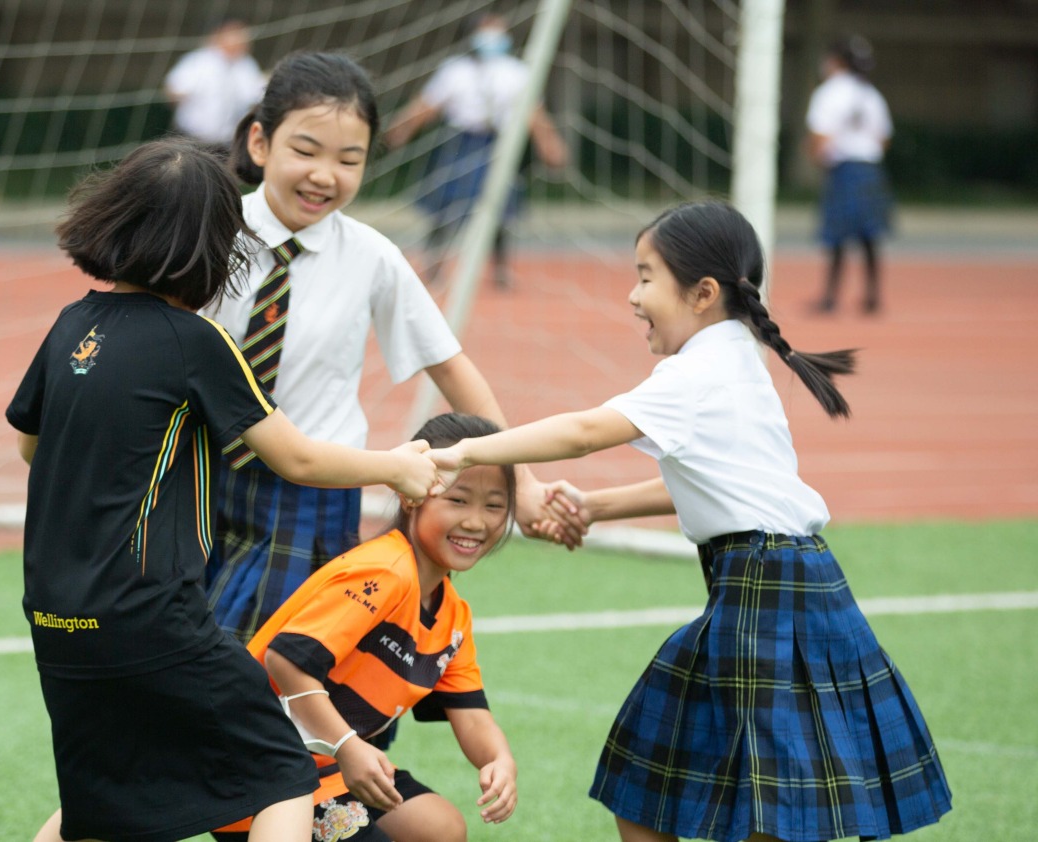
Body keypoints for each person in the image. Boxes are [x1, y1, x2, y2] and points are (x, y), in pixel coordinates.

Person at [428, 201, 953, 842]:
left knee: (760, 805)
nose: (633, 295)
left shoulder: (697, 373)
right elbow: (713, 484)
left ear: (703, 293)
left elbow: (585, 431)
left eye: (646, 276)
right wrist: (594, 506)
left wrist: (465, 451)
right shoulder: (737, 361)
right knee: (653, 776)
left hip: (766, 590)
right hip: (775, 583)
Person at [8, 136, 443, 842]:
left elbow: (32, 447)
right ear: (213, 251)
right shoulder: (196, 340)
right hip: (153, 617)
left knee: (99, 809)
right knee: (284, 774)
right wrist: (396, 467)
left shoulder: (69, 327)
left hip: (57, 620)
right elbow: (297, 458)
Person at [201, 50, 583, 646]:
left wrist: (522, 479)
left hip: (313, 497)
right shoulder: (206, 231)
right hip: (197, 479)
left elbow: (451, 367)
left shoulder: (372, 256)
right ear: (259, 142)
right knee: (184, 660)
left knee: (292, 669)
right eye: (306, 150)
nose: (325, 175)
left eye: (348, 159)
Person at [213, 412, 518, 842]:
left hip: (328, 764)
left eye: (494, 506)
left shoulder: (453, 614)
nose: (476, 521)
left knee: (440, 828)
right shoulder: (385, 570)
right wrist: (346, 746)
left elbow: (472, 715)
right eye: (458, 499)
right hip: (258, 764)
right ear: (411, 496)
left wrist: (499, 759)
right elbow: (286, 660)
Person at [383, 12, 568, 289]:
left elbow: (534, 113)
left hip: (498, 144)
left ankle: (500, 269)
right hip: (461, 142)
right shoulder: (454, 70)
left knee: (499, 206)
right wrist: (401, 129)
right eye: (486, 30)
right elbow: (426, 106)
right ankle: (434, 262)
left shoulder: (517, 72)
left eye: (498, 30)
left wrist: (550, 144)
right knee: (446, 206)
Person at [805, 34, 893, 314]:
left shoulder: (828, 92)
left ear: (835, 61)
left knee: (837, 237)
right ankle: (872, 296)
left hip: (843, 169)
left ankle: (830, 297)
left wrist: (818, 157)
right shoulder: (871, 93)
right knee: (870, 237)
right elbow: (884, 137)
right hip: (870, 168)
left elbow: (819, 135)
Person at [164, 18, 267, 155]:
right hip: (192, 138)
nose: (241, 40)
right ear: (218, 35)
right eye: (234, 34)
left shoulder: (247, 65)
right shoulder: (198, 60)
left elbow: (255, 95)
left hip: (228, 142)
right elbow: (173, 90)